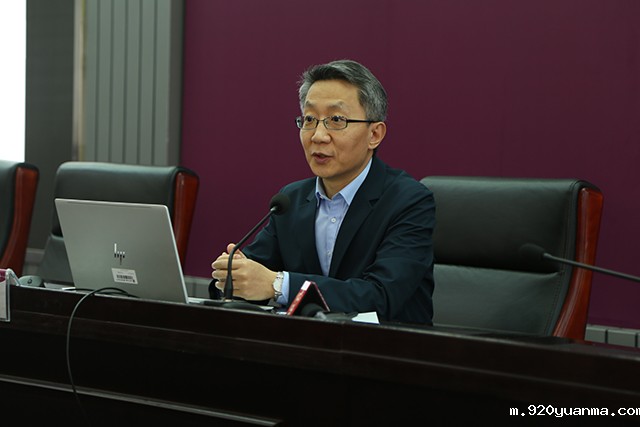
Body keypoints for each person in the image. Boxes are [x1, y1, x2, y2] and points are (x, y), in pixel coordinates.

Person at [211, 59, 435, 325]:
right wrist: (231, 276)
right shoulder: (290, 201)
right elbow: (250, 277)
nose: (318, 136)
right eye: (309, 119)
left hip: (389, 347)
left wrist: (278, 284)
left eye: (336, 120)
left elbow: (381, 297)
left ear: (374, 134)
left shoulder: (409, 201)